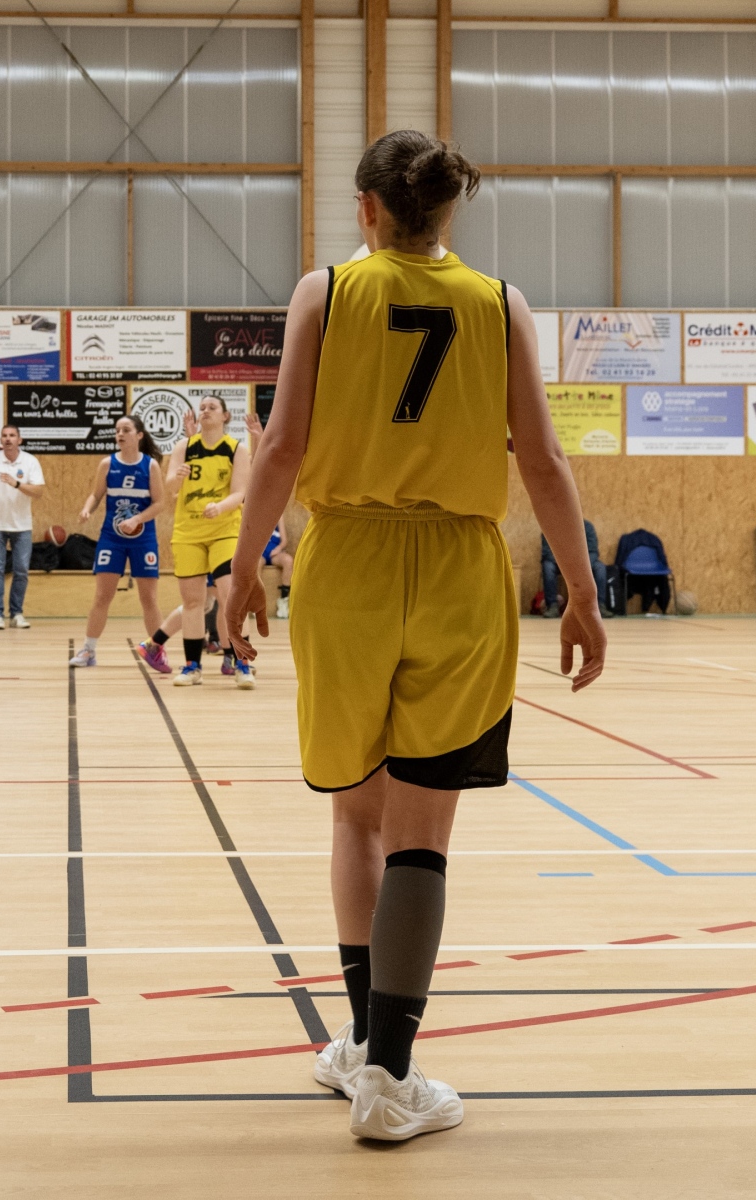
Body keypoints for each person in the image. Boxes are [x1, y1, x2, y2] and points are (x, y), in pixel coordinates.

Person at [222, 130, 606, 1141]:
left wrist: (244, 570)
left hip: (345, 560)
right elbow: (544, 462)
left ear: (366, 208)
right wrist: (581, 590)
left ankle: (364, 1046)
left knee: (357, 818)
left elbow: (281, 446)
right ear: (448, 211)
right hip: (458, 568)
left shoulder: (324, 294)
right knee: (422, 834)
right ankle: (387, 1074)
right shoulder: (501, 304)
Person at [156, 398, 254, 687]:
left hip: (224, 530)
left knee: (231, 597)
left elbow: (240, 493)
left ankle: (243, 665)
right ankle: (192, 667)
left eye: (212, 407)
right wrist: (177, 477)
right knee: (193, 602)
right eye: (202, 407)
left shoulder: (237, 449)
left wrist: (220, 507)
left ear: (225, 415)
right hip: (188, 532)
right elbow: (169, 487)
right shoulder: (184, 447)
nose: (205, 411)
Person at [69, 415, 168, 668]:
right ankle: (88, 651)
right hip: (111, 539)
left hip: (143, 539)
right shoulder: (107, 464)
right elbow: (96, 494)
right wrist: (87, 509)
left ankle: (157, 651)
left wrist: (137, 519)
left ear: (139, 435)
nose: (120, 434)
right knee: (102, 596)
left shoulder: (150, 466)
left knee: (149, 599)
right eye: (117, 430)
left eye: (126, 430)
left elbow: (160, 503)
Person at [0, 424, 44, 630]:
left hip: (22, 526)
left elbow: (38, 492)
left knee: (21, 570)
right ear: (0, 440)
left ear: (19, 440)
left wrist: (17, 484)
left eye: (12, 435)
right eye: (4, 435)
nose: (8, 439)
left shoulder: (30, 462)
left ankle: (17, 614)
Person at [539, 519, 608, 619]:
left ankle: (600, 605)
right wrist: (566, 563)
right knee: (548, 567)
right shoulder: (550, 526)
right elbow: (547, 552)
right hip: (559, 563)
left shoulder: (587, 527)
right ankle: (552, 606)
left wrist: (581, 565)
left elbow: (593, 551)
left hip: (583, 563)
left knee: (600, 568)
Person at [264, 514, 295, 620]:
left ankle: (283, 599)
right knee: (255, 564)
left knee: (288, 561)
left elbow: (284, 541)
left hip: (274, 551)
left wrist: (278, 549)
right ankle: (255, 600)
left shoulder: (278, 515)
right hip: (260, 552)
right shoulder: (253, 512)